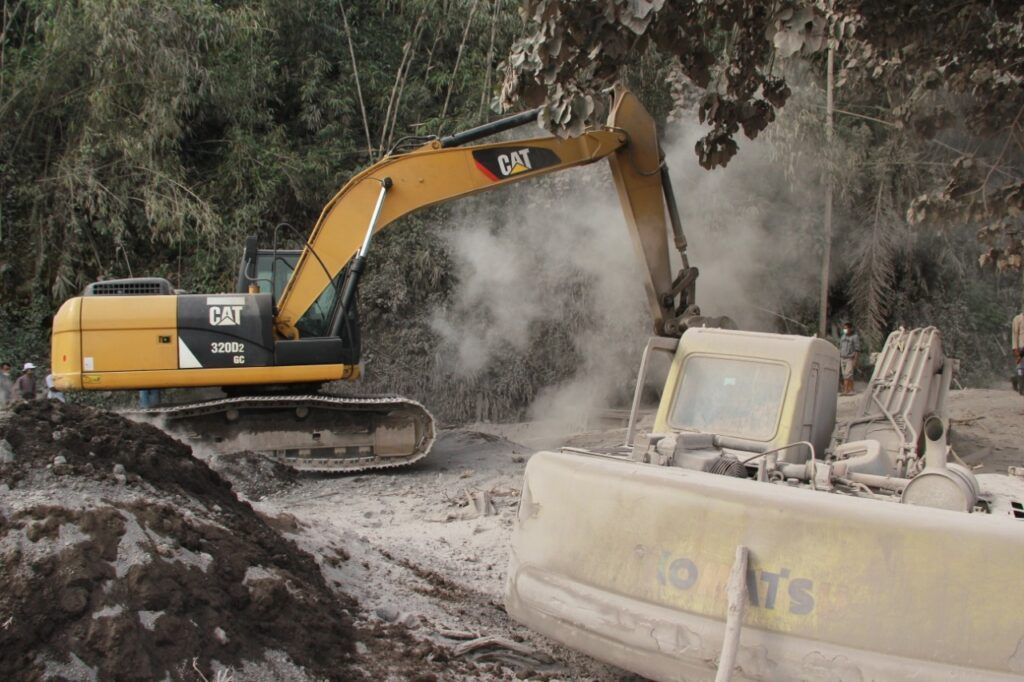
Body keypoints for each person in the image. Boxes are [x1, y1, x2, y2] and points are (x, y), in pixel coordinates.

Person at [839, 322, 861, 396]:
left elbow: (857, 350)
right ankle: (851, 389)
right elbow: (841, 347)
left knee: (847, 374)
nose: (845, 330)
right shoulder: (842, 337)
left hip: (850, 358)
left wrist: (855, 360)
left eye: (846, 328)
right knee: (847, 375)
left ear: (850, 329)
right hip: (842, 358)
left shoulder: (854, 337)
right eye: (844, 328)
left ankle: (845, 391)